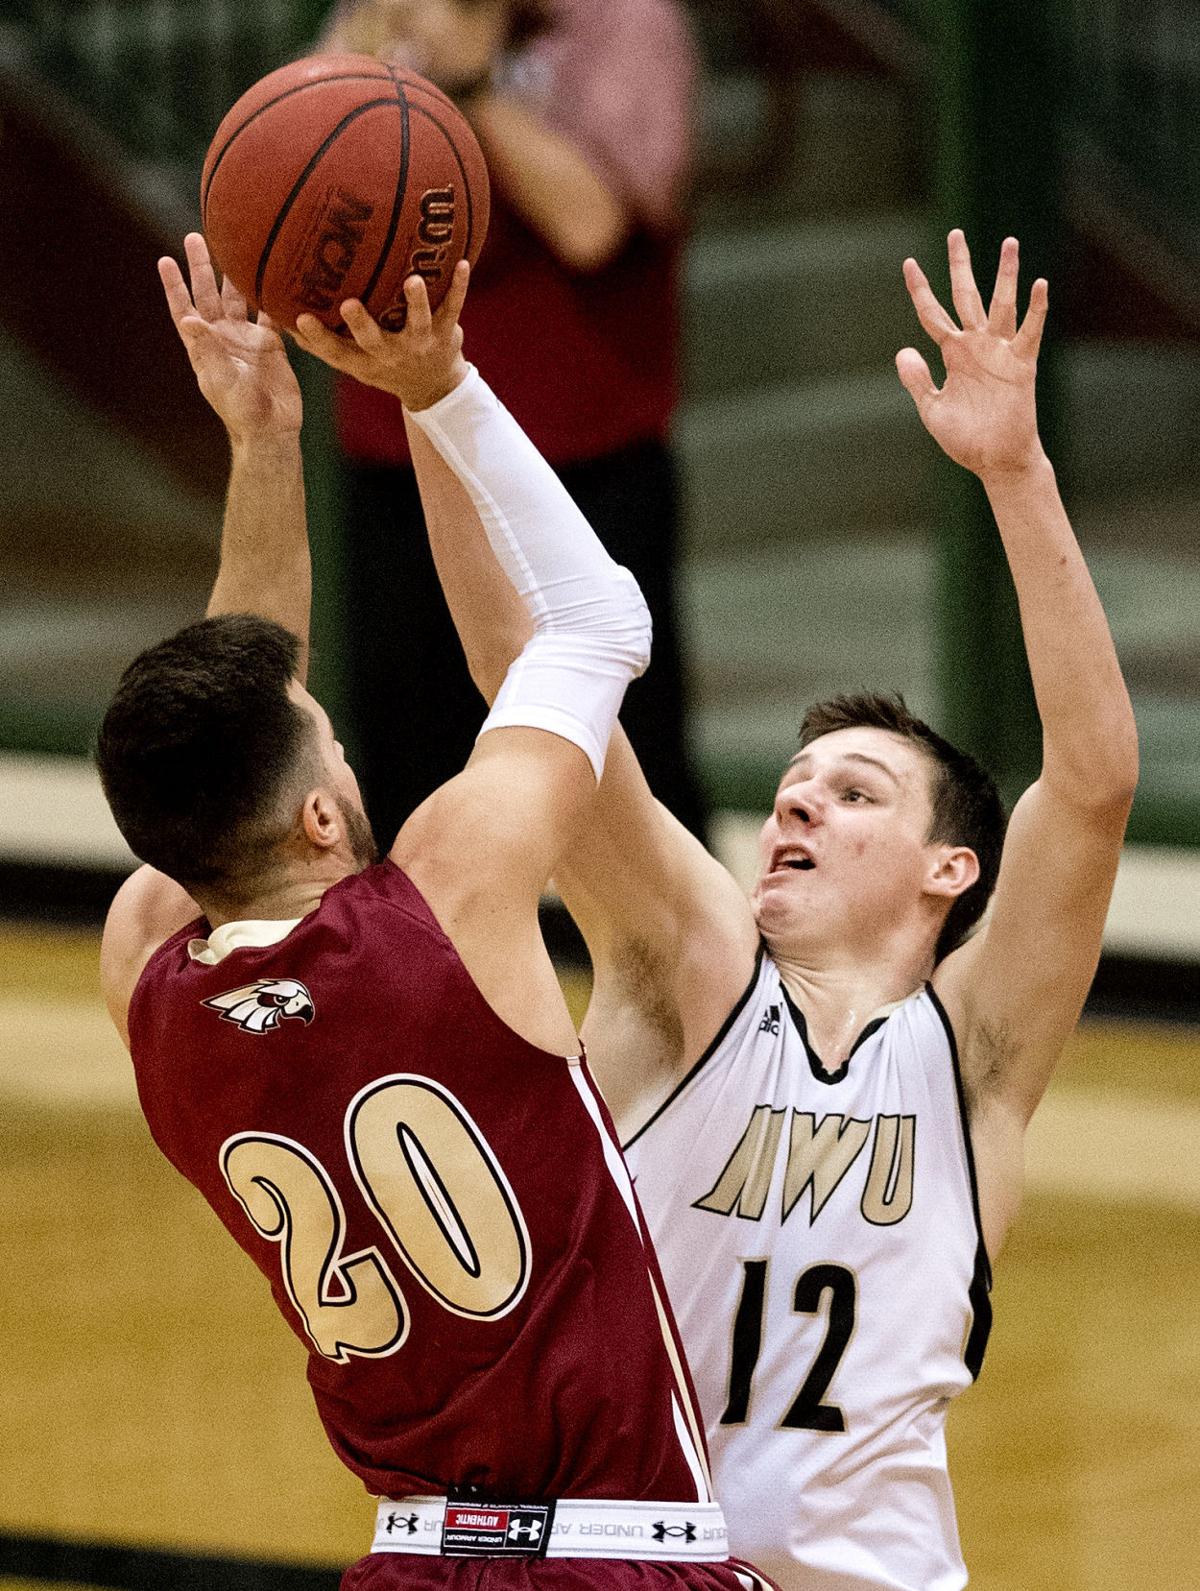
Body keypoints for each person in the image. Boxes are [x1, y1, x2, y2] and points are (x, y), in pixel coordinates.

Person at [419, 231, 1140, 1588]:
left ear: (951, 871)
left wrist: (1016, 471)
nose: (801, 804)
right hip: (630, 1566)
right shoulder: (683, 970)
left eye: (857, 793)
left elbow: (1094, 779)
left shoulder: (972, 1058)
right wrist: (434, 394)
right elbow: (527, 665)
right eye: (798, 786)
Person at [95, 233, 775, 1591]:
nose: (342, 747)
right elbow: (595, 620)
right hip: (611, 1550)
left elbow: (231, 707)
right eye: (326, 738)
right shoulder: (449, 889)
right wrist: (441, 386)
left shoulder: (145, 979)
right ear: (321, 816)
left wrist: (265, 441)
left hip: (411, 1557)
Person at [315, 0, 707, 846]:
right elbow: (309, 198)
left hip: (579, 464)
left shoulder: (622, 24)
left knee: (630, 773)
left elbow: (591, 222)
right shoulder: (379, 15)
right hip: (403, 459)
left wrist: (467, 82)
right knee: (408, 779)